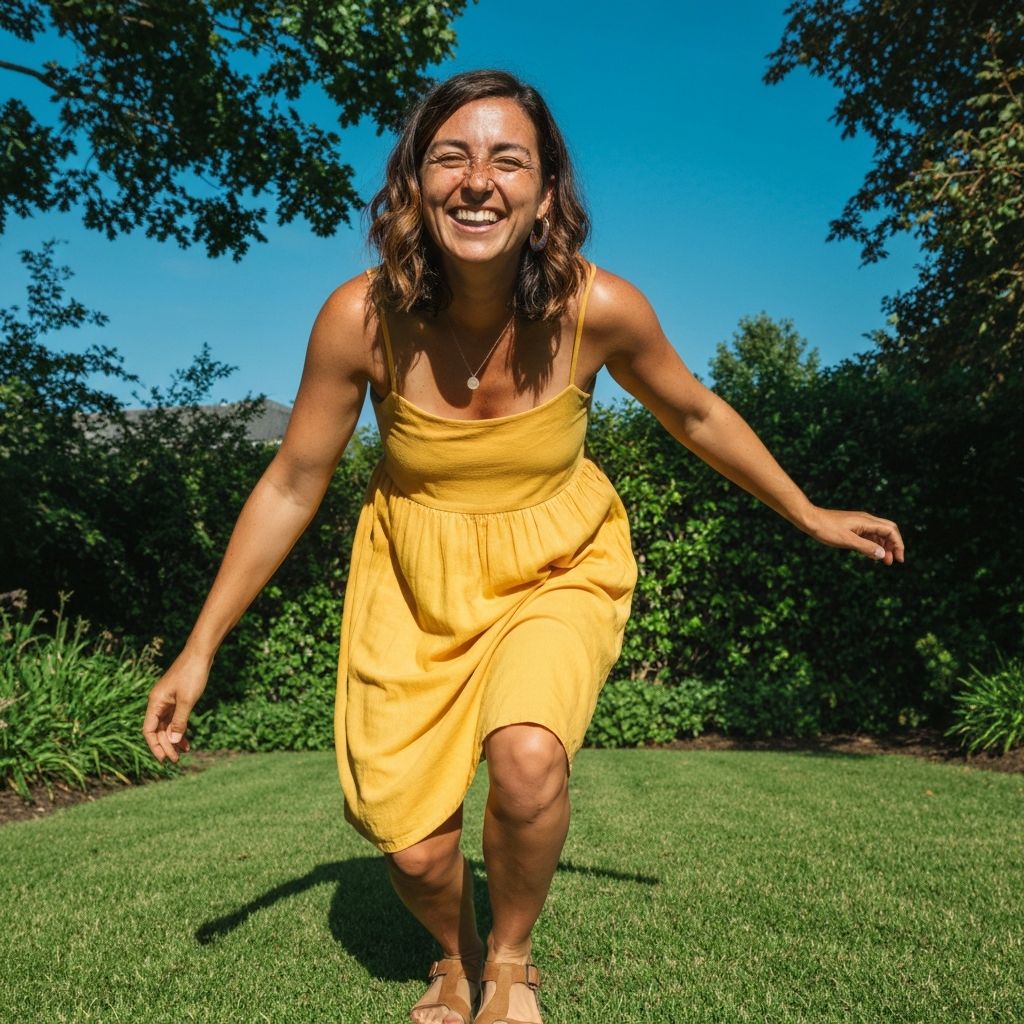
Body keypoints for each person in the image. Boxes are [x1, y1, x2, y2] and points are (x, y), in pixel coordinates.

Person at [142, 69, 904, 1024]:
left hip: (560, 562)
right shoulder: (360, 319)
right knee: (415, 848)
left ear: (547, 193)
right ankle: (452, 954)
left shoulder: (601, 309)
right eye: (451, 156)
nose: (478, 180)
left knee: (530, 755)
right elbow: (293, 481)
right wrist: (199, 647)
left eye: (509, 159)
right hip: (415, 580)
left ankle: (507, 959)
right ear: (415, 183)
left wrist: (809, 512)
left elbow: (698, 413)